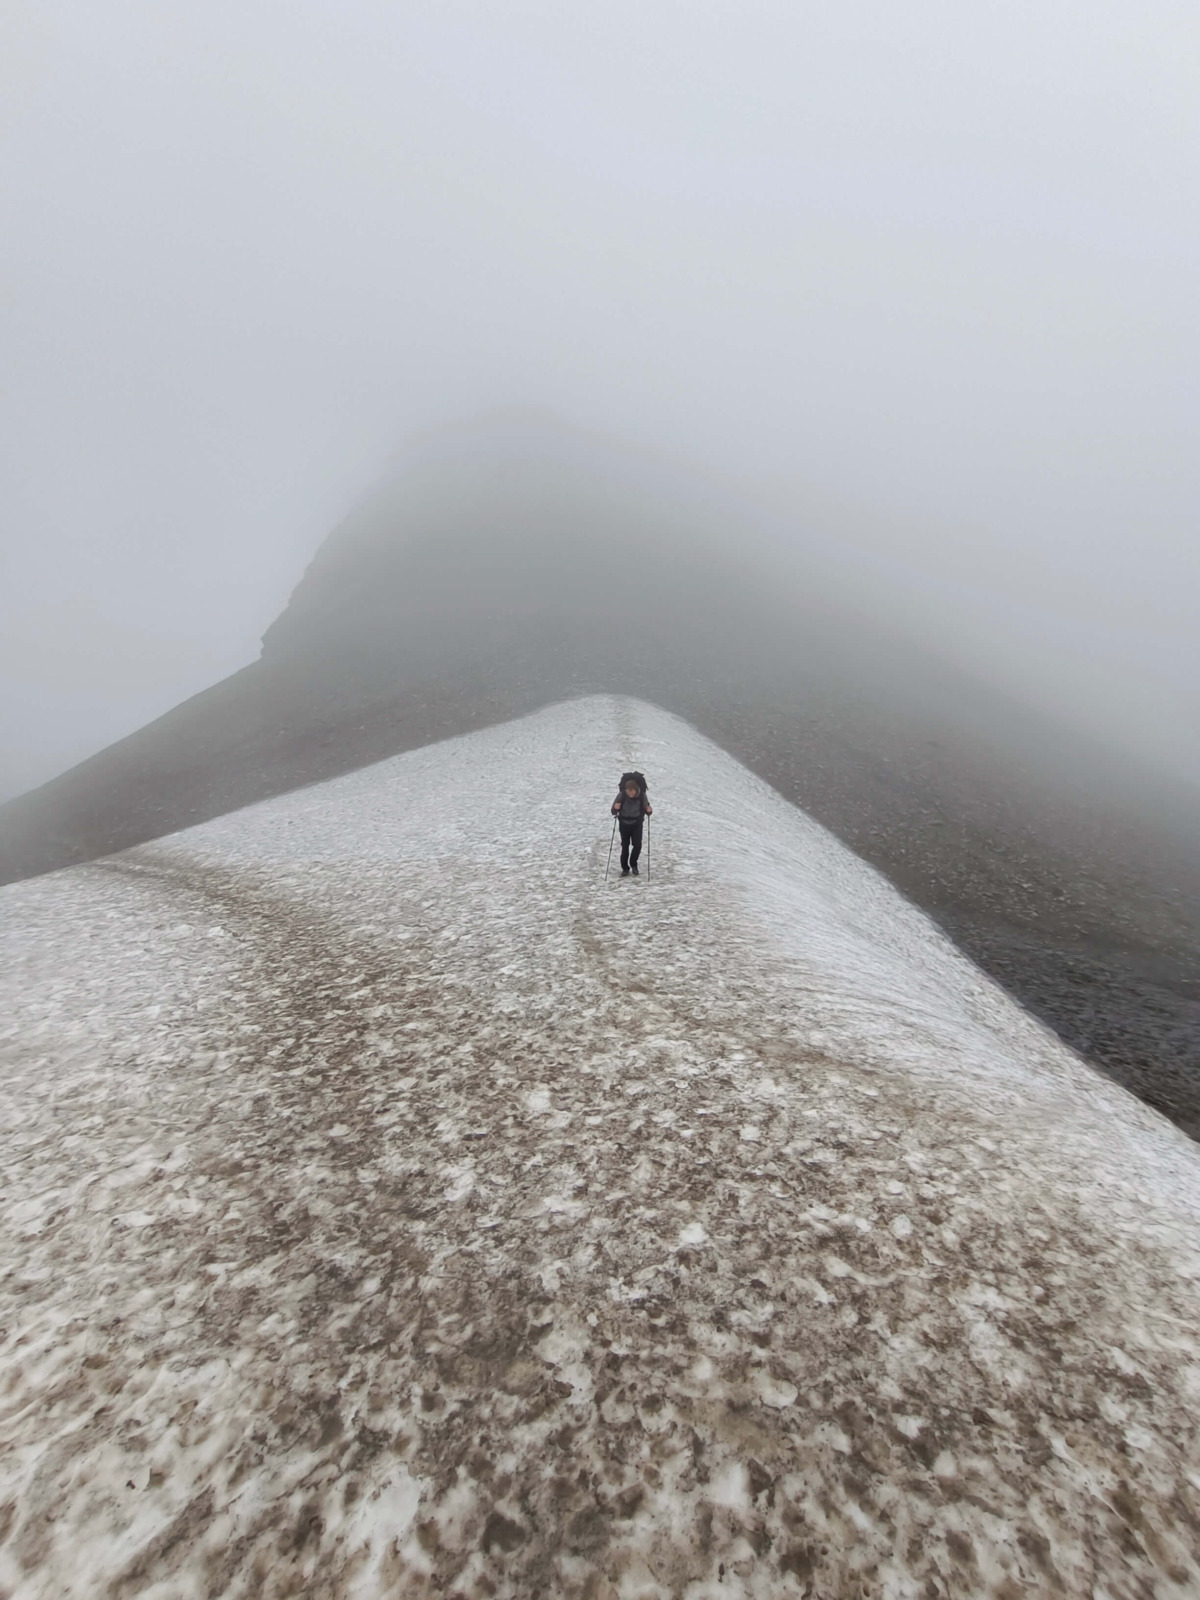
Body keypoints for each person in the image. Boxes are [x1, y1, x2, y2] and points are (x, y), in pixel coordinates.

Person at [611, 772, 652, 876]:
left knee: (637, 845)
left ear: (636, 789)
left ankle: (633, 864)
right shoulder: (622, 795)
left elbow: (647, 810)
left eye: (632, 791)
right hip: (624, 824)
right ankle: (625, 868)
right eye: (628, 791)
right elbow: (613, 811)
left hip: (637, 824)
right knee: (625, 846)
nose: (630, 794)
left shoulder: (642, 796)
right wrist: (615, 808)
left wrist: (649, 810)